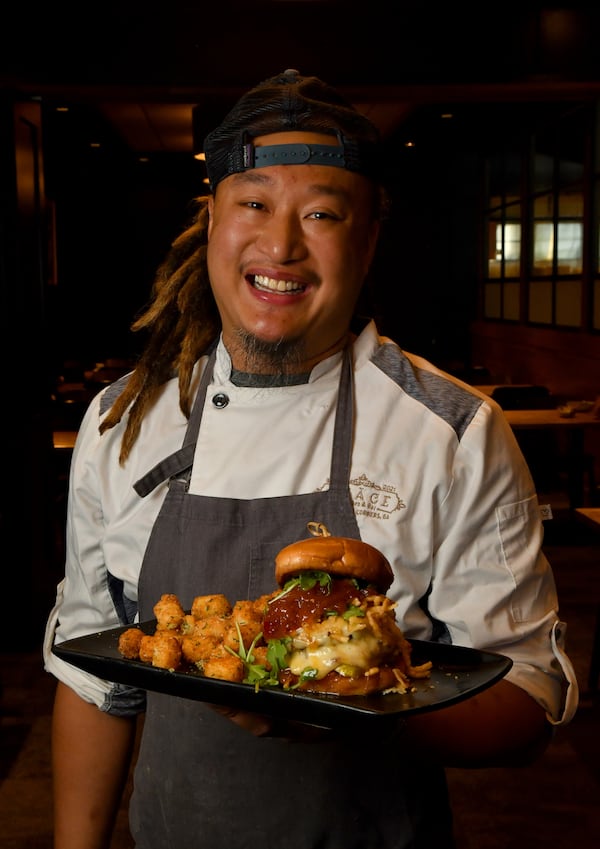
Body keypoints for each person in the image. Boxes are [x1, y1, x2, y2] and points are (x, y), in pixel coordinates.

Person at [44, 69, 578, 849]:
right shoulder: (124, 420)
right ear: (213, 222)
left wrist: (350, 714)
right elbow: (95, 674)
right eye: (254, 203)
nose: (281, 244)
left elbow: (527, 701)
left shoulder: (453, 429)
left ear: (368, 239)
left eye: (322, 213)